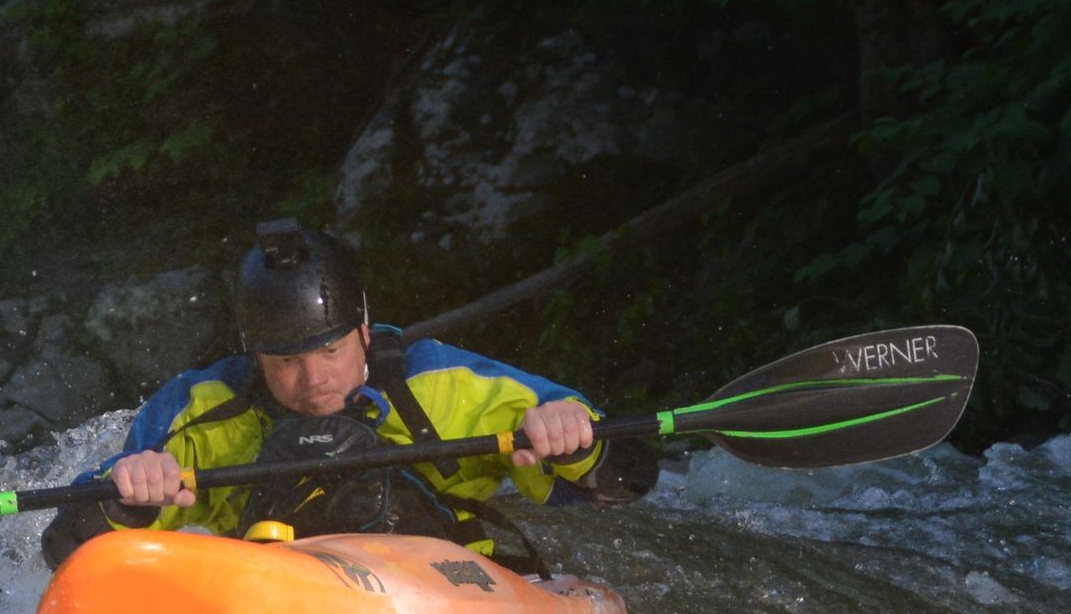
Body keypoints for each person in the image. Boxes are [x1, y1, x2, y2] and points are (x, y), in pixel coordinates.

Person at [40, 219, 656, 569]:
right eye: (285, 362)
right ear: (255, 355)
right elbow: (65, 546)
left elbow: (628, 478)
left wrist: (575, 444)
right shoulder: (201, 413)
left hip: (445, 588)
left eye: (330, 351)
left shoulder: (446, 385)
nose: (313, 382)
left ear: (363, 331)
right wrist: (131, 500)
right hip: (273, 596)